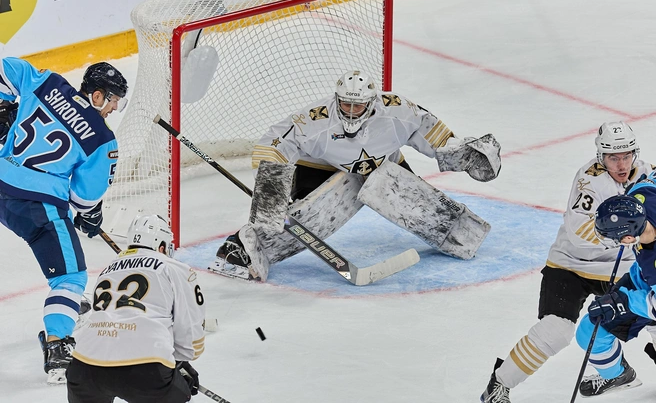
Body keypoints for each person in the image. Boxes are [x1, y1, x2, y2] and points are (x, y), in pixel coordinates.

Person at [213, 70, 501, 281]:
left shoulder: (398, 111)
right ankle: (243, 246)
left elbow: (432, 132)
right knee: (308, 218)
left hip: (382, 164)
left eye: (358, 105)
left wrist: (464, 153)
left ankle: (459, 235)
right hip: (321, 167)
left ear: (372, 102)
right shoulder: (315, 119)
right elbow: (274, 144)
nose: (351, 112)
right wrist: (272, 190)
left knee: (412, 198)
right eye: (345, 104)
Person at [481, 121, 655, 402]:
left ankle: (617, 374)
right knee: (555, 331)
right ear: (601, 156)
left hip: (622, 266)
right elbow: (578, 231)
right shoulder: (589, 180)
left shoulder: (647, 173)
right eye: (613, 158)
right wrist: (623, 236)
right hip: (572, 264)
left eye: (626, 156)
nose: (622, 164)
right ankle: (499, 385)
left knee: (653, 315)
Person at [0, 57, 128, 383]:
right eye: (113, 100)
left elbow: (5, 69)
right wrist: (91, 213)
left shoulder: (48, 83)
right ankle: (58, 346)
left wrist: (3, 105)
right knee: (71, 277)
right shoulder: (102, 139)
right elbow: (83, 198)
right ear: (97, 95)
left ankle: (70, 307)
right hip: (36, 206)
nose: (114, 108)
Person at [66, 214, 206, 403]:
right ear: (161, 246)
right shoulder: (174, 268)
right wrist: (176, 363)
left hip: (83, 366)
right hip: (145, 369)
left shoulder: (107, 270)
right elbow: (191, 340)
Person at [573, 185, 656, 396]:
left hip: (649, 299)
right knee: (590, 331)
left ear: (628, 238)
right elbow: (648, 180)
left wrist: (623, 302)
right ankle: (617, 375)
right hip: (643, 282)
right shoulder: (643, 194)